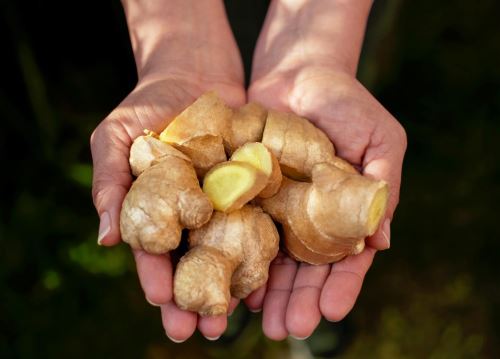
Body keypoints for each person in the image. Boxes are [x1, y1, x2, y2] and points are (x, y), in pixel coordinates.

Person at [90, 0, 407, 343]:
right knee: (261, 292)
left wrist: (317, 40)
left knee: (311, 297)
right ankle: (241, 311)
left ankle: (308, 327)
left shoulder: (307, 158)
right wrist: (177, 35)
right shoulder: (194, 172)